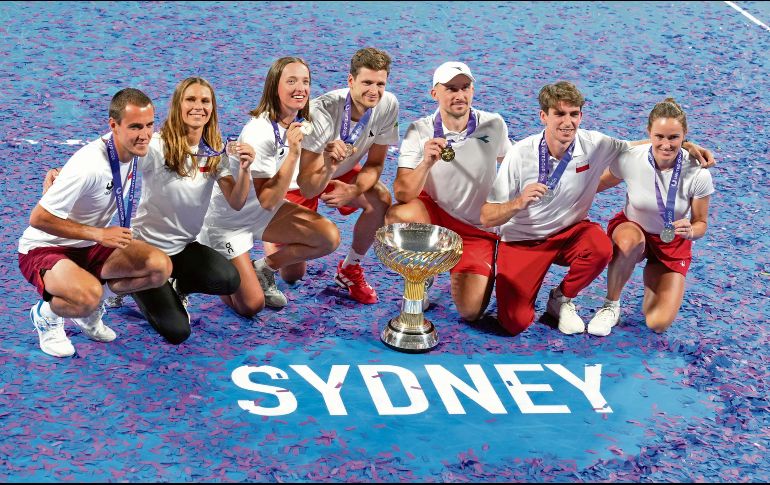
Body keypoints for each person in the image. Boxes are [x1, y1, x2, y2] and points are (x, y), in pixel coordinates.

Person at [480, 81, 714, 336]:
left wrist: (687, 145)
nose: (567, 122)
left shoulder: (595, 143)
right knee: (514, 322)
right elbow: (487, 217)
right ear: (543, 116)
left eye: (574, 114)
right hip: (524, 239)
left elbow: (647, 146)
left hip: (570, 233)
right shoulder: (519, 154)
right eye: (559, 113)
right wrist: (518, 202)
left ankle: (561, 298)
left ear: (581, 115)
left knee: (600, 249)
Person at [19, 88, 172, 357]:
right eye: (136, 126)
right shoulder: (89, 165)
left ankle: (87, 311)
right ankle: (47, 314)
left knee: (159, 268)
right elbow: (38, 218)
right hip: (45, 248)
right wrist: (99, 233)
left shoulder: (138, 145)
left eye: (149, 125)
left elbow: (183, 140)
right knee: (87, 296)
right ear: (113, 125)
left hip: (90, 244)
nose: (145, 134)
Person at [113, 77, 256, 344]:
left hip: (182, 249)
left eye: (204, 101)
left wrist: (245, 170)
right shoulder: (156, 145)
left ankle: (176, 286)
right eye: (190, 99)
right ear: (178, 105)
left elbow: (236, 201)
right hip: (147, 252)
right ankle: (136, 286)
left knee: (228, 280)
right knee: (179, 333)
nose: (198, 106)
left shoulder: (214, 152)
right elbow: (116, 155)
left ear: (212, 108)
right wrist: (64, 173)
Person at [199, 57, 340, 316]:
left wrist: (329, 166)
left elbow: (307, 190)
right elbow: (266, 199)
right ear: (275, 87)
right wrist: (295, 154)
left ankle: (261, 267)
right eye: (292, 81)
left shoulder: (299, 124)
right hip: (228, 221)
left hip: (263, 212)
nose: (301, 88)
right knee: (251, 306)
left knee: (327, 237)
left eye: (305, 81)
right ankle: (208, 264)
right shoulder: (259, 131)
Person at [385, 61, 512, 320]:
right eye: (451, 88)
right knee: (400, 216)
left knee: (471, 312)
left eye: (465, 87)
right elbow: (402, 193)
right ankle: (423, 275)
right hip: (435, 216)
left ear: (473, 90)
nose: (459, 95)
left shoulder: (494, 124)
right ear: (435, 94)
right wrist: (426, 163)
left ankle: (468, 265)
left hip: (476, 228)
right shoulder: (419, 130)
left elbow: (511, 165)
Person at [586, 98, 713, 336]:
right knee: (628, 241)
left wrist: (692, 231)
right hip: (633, 229)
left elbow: (701, 223)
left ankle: (654, 278)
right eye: (659, 137)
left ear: (684, 136)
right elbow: (595, 185)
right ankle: (610, 306)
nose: (666, 144)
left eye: (674, 137)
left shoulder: (698, 173)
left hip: (672, 243)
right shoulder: (631, 158)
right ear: (649, 133)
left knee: (657, 323)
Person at [291, 47, 399, 304]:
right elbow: (307, 184)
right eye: (367, 83)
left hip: (339, 172)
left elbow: (375, 164)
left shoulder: (388, 105)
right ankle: (268, 255)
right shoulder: (320, 111)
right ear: (350, 81)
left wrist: (354, 191)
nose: (374, 90)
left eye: (380, 83)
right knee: (292, 274)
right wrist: (327, 172)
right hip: (298, 181)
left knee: (379, 199)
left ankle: (350, 269)